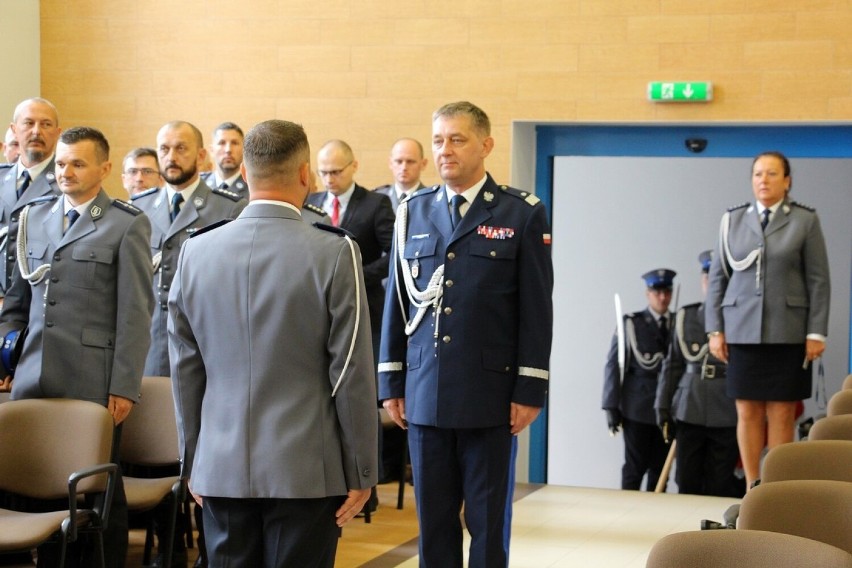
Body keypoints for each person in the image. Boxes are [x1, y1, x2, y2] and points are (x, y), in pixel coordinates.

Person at [168, 119, 378, 568]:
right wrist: (361, 468)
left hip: (220, 467)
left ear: (244, 173)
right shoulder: (334, 251)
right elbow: (350, 370)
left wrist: (194, 459)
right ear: (307, 175)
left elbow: (186, 369)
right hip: (307, 470)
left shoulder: (195, 252)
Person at [378, 101, 553, 568]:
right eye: (438, 140)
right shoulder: (412, 213)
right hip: (425, 392)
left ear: (486, 145)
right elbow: (398, 304)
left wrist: (530, 388)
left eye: (457, 139)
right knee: (433, 526)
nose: (445, 150)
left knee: (487, 522)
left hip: (490, 397)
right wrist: (391, 382)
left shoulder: (522, 213)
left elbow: (536, 311)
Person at [0, 126, 154, 567]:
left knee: (96, 492)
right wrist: (9, 354)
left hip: (93, 379)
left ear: (105, 168)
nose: (65, 171)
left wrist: (124, 385)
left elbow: (134, 313)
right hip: (33, 375)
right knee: (31, 484)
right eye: (62, 162)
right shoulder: (35, 217)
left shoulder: (127, 224)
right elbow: (17, 302)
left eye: (78, 163)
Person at [706, 151, 830, 490]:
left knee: (780, 412)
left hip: (787, 331)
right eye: (758, 174)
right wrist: (714, 329)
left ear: (787, 181)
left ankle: (777, 488)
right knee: (746, 411)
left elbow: (819, 280)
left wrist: (816, 331)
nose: (764, 180)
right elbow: (718, 279)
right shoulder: (732, 220)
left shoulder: (805, 220)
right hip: (741, 331)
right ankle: (752, 486)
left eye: (772, 174)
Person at [306, 139, 395, 514]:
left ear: (354, 166)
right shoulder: (310, 203)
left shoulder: (376, 204)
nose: (329, 179)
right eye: (323, 172)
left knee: (360, 396)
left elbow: (393, 256)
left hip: (366, 313)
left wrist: (353, 273)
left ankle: (366, 485)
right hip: (318, 316)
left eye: (336, 172)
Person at [133, 120, 246, 378]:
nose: (171, 157)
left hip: (206, 342)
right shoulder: (140, 208)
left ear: (201, 155)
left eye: (181, 148)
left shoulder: (229, 209)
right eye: (164, 149)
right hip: (150, 342)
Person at [655, 251, 743, 497]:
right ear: (704, 282)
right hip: (690, 406)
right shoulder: (687, 316)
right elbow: (672, 365)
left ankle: (714, 536)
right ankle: (686, 534)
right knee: (687, 480)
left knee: (720, 483)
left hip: (727, 407)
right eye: (711, 279)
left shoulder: (742, 317)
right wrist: (662, 407)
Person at [603, 268, 676, 491]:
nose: (662, 297)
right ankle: (627, 516)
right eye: (657, 292)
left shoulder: (679, 323)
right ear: (648, 294)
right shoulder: (631, 324)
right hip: (638, 408)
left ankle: (656, 519)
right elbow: (613, 365)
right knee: (634, 469)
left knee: (660, 471)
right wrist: (610, 406)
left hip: (669, 408)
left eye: (666, 292)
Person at [0, 98, 62, 295]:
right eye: (28, 123)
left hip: (41, 303)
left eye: (46, 124)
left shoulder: (68, 184)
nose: (36, 131)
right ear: (15, 129)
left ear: (57, 133)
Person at [375, 138, 428, 211]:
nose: (404, 167)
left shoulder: (432, 199)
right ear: (390, 163)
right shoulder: (377, 198)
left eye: (410, 161)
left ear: (423, 164)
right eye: (399, 161)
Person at [200, 121, 248, 197]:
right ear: (212, 150)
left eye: (234, 143)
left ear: (244, 150)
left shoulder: (253, 187)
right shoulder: (199, 185)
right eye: (222, 143)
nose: (228, 150)